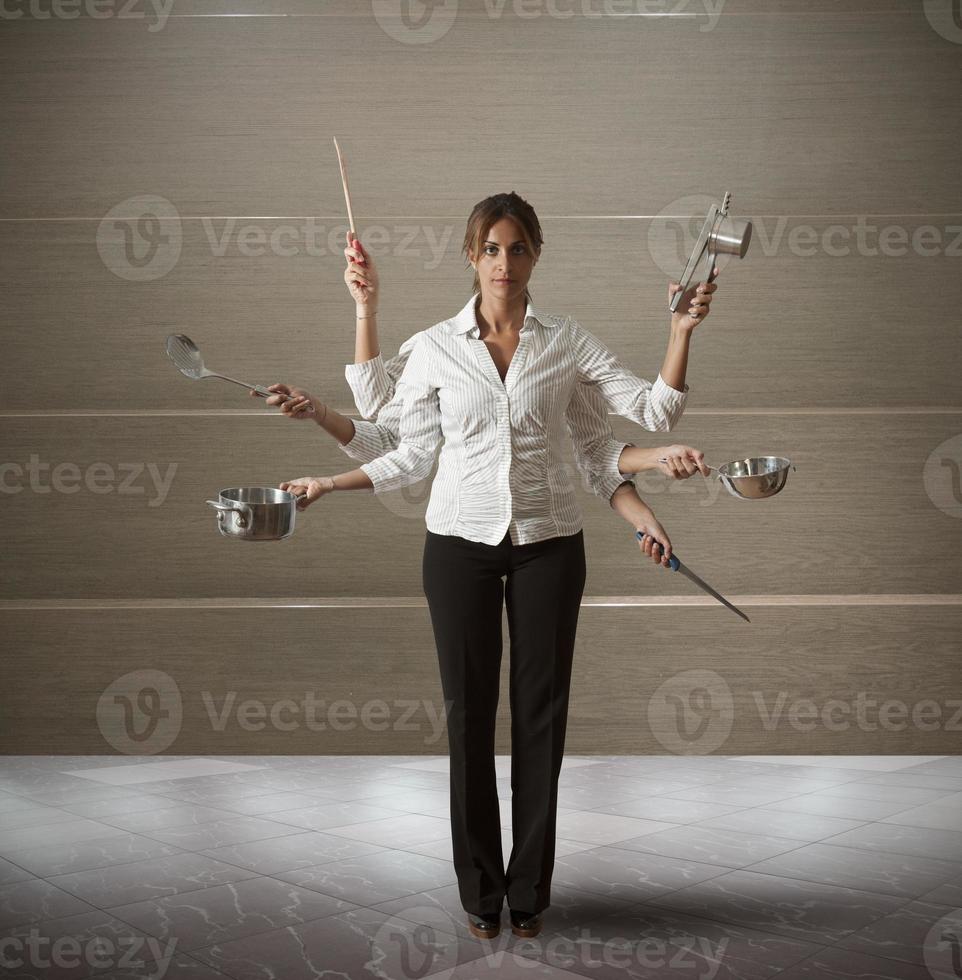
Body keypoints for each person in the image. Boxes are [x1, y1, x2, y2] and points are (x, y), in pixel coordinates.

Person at [270, 192, 718, 940]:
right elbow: (398, 449)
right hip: (457, 548)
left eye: (516, 249)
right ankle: (480, 889)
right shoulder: (438, 346)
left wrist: (679, 330)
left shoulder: (567, 342)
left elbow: (644, 421)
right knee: (469, 720)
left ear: (536, 254)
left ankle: (530, 891)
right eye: (490, 250)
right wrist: (325, 472)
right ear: (471, 258)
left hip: (550, 546)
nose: (503, 264)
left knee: (542, 719)